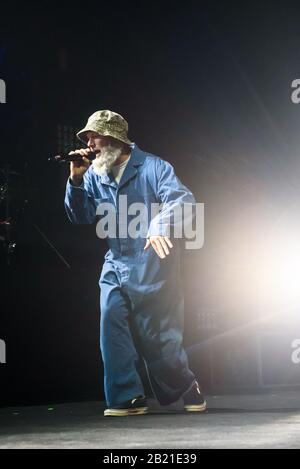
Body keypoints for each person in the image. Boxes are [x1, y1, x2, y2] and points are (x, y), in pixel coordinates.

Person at [64, 110, 206, 416]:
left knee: (159, 340)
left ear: (115, 139)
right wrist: (75, 181)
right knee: (110, 322)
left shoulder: (154, 167)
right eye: (86, 138)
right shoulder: (93, 174)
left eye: (94, 136)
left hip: (155, 264)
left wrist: (159, 225)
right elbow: (80, 216)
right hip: (116, 263)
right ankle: (127, 396)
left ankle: (185, 384)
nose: (89, 143)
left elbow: (183, 200)